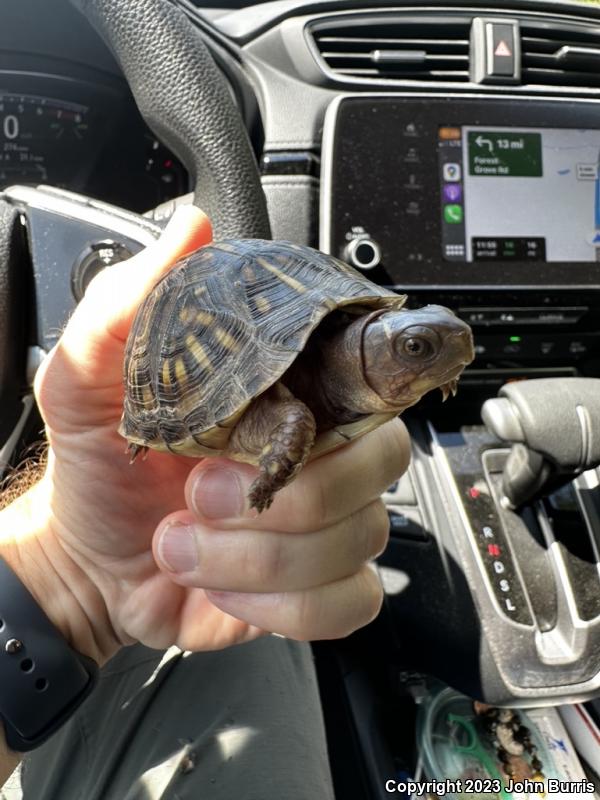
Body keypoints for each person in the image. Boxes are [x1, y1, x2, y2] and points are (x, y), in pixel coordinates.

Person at [0, 206, 411, 799]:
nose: (434, 349)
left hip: (98, 601)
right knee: (274, 646)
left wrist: (65, 568)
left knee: (271, 633)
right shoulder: (291, 410)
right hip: (221, 429)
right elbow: (289, 414)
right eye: (416, 348)